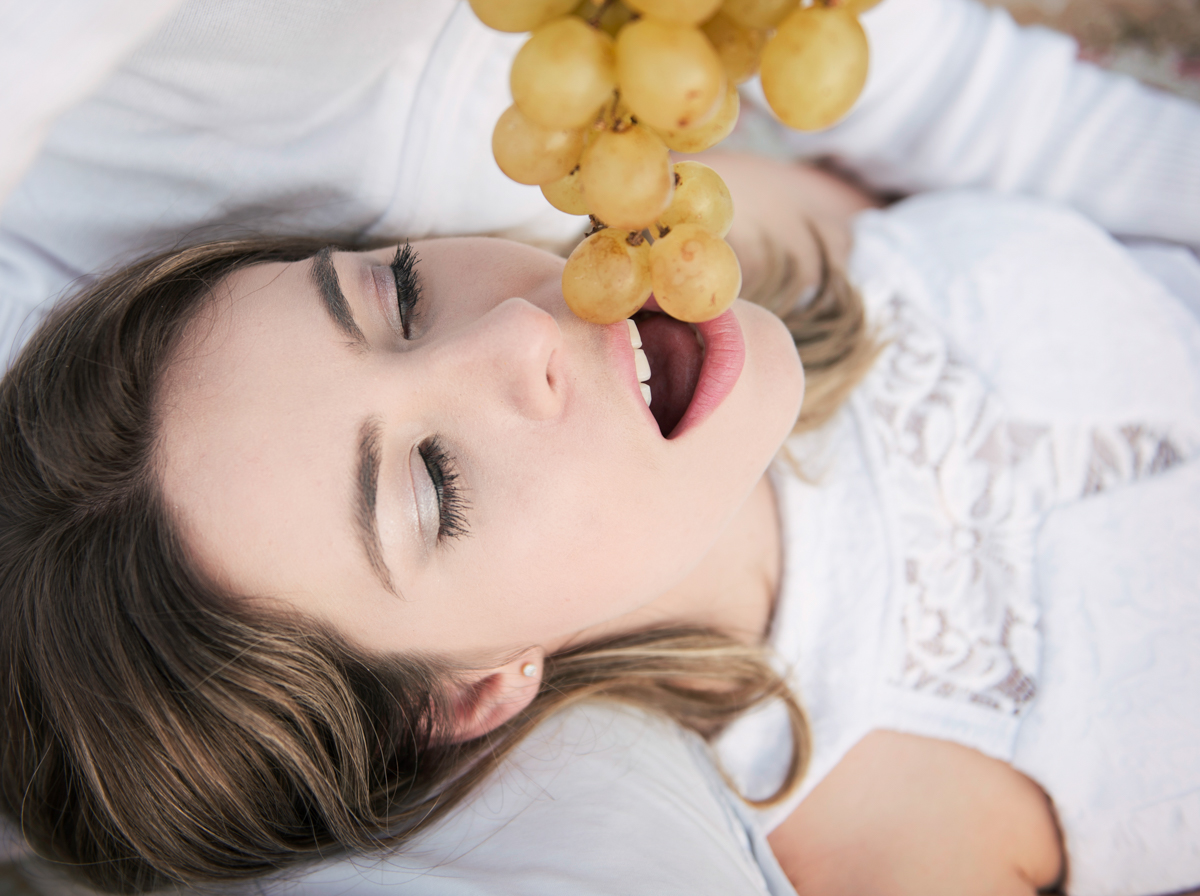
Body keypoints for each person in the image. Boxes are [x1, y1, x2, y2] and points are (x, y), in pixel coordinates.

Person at [1, 1, 1198, 895]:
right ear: (473, 691)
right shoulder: (880, 836)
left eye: (399, 294)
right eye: (434, 481)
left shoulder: (699, 211)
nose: (517, 330)